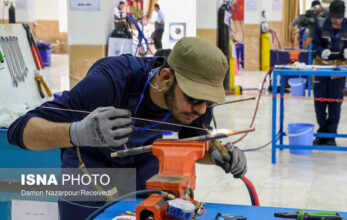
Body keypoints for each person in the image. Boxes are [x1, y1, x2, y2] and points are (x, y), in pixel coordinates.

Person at [7, 37, 247, 219]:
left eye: (209, 101)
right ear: (165, 78)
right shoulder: (108, 82)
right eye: (195, 99)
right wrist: (76, 133)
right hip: (91, 164)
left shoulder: (194, 104)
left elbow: (195, 145)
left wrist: (218, 156)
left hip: (143, 162)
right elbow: (19, 130)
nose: (201, 110)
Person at [312, 0, 347, 146]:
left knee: (335, 102)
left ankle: (331, 135)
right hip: (321, 68)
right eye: (334, 18)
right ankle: (321, 133)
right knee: (320, 102)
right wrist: (321, 51)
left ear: (343, 15)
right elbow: (315, 44)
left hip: (340, 69)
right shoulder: (320, 25)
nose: (337, 21)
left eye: (339, 18)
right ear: (330, 15)